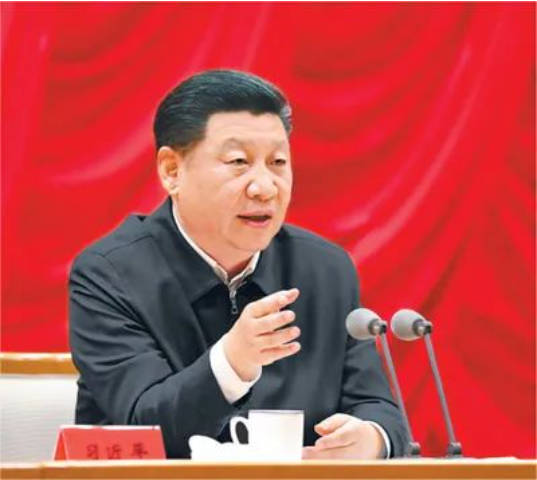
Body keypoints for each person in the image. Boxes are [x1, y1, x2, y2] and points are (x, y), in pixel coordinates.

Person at [69, 69, 406, 459]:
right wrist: (232, 363)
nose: (264, 187)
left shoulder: (325, 270)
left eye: (278, 162)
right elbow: (142, 430)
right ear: (172, 170)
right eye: (238, 162)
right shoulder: (109, 274)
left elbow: (377, 407)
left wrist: (371, 438)